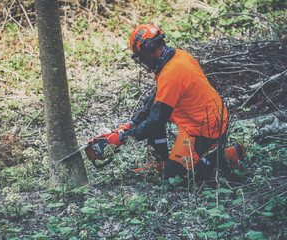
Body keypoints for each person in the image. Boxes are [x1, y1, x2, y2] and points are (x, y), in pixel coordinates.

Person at [93, 24, 245, 181]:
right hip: (196, 119)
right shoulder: (176, 57)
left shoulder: (172, 72)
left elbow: (156, 120)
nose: (142, 60)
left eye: (141, 55)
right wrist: (129, 126)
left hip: (205, 129)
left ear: (150, 48)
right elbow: (155, 102)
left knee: (175, 177)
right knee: (150, 102)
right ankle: (159, 162)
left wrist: (124, 139)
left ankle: (228, 155)